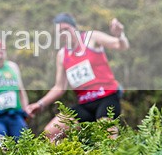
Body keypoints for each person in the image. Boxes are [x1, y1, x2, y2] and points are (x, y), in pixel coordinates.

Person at [25, 13, 129, 142]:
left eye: (66, 29)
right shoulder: (62, 54)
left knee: (107, 139)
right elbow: (59, 87)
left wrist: (119, 35)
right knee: (50, 132)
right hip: (85, 104)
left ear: (74, 28)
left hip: (106, 99)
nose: (64, 33)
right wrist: (40, 104)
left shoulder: (92, 38)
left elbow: (121, 46)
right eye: (60, 31)